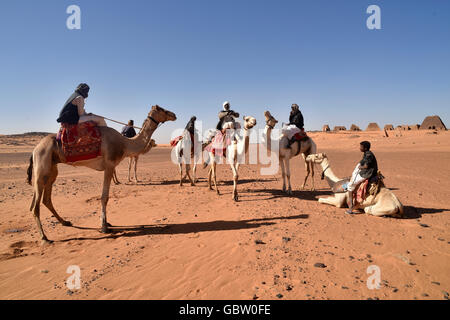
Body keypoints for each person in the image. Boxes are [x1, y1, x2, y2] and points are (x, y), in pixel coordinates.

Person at [345, 141, 378, 214]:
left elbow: (366, 166)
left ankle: (350, 208)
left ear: (365, 148)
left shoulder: (368, 155)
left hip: (368, 173)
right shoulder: (367, 153)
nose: (359, 148)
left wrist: (360, 167)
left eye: (361, 147)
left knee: (350, 186)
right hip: (368, 172)